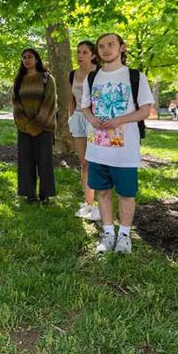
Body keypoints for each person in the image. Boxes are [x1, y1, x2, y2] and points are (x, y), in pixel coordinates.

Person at [81, 33, 154, 254]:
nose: (105, 49)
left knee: (126, 194)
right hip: (97, 150)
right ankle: (108, 233)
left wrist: (120, 120)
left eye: (111, 44)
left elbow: (145, 110)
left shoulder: (135, 77)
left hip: (125, 152)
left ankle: (124, 235)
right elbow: (85, 106)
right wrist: (91, 118)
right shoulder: (92, 78)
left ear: (122, 48)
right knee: (102, 192)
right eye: (101, 46)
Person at [11, 48, 58, 204]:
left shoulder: (47, 78)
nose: (27, 60)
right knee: (26, 161)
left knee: (45, 161)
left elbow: (50, 104)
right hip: (24, 129)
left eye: (30, 57)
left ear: (37, 59)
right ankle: (29, 194)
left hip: (44, 128)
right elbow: (16, 105)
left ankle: (45, 195)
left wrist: (36, 125)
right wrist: (26, 126)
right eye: (24, 57)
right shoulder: (19, 81)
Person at [69, 41, 99, 221]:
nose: (80, 55)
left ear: (93, 55)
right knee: (84, 163)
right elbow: (70, 98)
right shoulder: (72, 74)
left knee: (96, 162)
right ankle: (87, 203)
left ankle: (98, 205)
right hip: (78, 118)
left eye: (84, 52)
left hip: (94, 120)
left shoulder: (100, 73)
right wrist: (70, 117)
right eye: (78, 52)